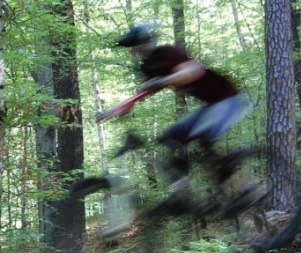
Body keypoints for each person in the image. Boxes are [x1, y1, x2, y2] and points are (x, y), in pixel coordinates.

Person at [98, 23, 252, 192]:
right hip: (210, 106)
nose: (133, 50)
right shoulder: (148, 67)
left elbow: (194, 71)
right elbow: (140, 95)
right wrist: (111, 111)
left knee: (203, 136)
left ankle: (244, 186)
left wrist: (163, 81)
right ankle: (181, 189)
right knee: (172, 137)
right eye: (131, 47)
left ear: (145, 42)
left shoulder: (167, 53)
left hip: (230, 100)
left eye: (135, 45)